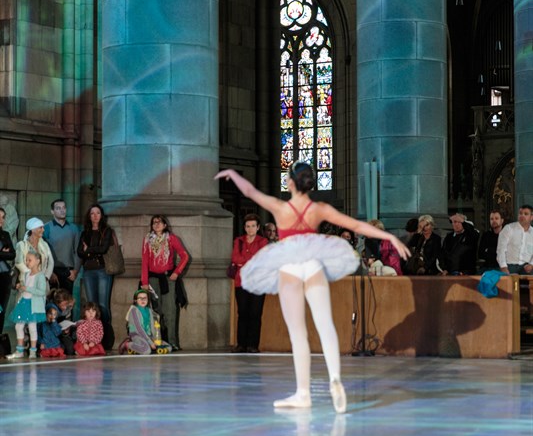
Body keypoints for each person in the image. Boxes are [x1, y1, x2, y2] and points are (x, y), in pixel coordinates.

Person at [215, 162, 410, 412]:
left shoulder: (280, 207)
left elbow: (250, 191)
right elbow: (355, 225)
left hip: (290, 268)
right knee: (325, 324)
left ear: (291, 183)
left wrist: (233, 174)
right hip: (313, 265)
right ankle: (335, 378)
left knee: (298, 333)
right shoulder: (318, 209)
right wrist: (389, 236)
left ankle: (303, 393)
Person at [140, 215, 189, 351]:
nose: (157, 224)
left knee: (170, 310)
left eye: (159, 222)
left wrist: (177, 272)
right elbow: (144, 261)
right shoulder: (147, 240)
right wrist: (144, 281)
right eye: (154, 222)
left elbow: (185, 256)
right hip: (152, 280)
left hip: (168, 279)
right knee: (154, 311)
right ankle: (156, 342)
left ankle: (172, 342)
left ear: (165, 225)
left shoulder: (171, 238)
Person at [228, 213, 268, 353]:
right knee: (242, 313)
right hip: (241, 282)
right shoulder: (238, 241)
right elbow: (235, 258)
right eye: (248, 226)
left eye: (253, 226)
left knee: (255, 314)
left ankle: (252, 345)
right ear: (244, 227)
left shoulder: (263, 242)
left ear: (258, 227)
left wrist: (244, 262)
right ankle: (241, 344)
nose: (250, 229)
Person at [77, 204, 114, 326]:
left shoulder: (106, 231)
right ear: (89, 216)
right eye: (92, 213)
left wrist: (88, 250)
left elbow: (103, 249)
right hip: (88, 271)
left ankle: (106, 333)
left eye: (98, 213)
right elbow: (80, 252)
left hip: (102, 270)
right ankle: (93, 332)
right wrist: (92, 251)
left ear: (101, 215)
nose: (95, 216)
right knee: (91, 305)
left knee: (103, 305)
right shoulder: (85, 233)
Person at [9, 251, 47, 359]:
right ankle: (20, 350)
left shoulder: (40, 276)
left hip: (33, 304)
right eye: (26, 260)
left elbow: (42, 292)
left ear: (37, 261)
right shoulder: (26, 274)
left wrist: (27, 288)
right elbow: (26, 288)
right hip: (24, 302)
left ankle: (33, 351)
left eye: (30, 260)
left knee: (32, 327)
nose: (27, 262)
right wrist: (21, 287)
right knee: (18, 326)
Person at [44, 198, 81, 293]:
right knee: (52, 299)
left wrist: (75, 271)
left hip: (69, 271)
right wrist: (49, 272)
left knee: (67, 300)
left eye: (64, 207)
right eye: (58, 208)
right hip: (52, 270)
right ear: (52, 211)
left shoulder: (73, 228)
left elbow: (78, 251)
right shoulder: (46, 228)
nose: (62, 210)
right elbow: (43, 252)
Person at [124, 288, 169, 355]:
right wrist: (150, 342)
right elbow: (139, 329)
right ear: (135, 300)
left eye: (145, 298)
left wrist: (156, 339)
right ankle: (128, 344)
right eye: (140, 298)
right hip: (138, 335)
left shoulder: (149, 310)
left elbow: (153, 327)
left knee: (168, 347)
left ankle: (142, 348)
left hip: (149, 336)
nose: (143, 300)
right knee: (147, 350)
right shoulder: (134, 311)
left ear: (148, 300)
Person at [15, 217, 54, 285]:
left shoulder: (44, 245)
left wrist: (46, 277)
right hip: (26, 281)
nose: (43, 230)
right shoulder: (21, 245)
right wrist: (34, 276)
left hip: (42, 282)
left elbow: (51, 262)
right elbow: (19, 263)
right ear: (33, 230)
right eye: (40, 227)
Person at [496, 205, 533, 275]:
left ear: (531, 217)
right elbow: (501, 250)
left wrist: (531, 264)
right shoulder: (508, 228)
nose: (522, 216)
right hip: (509, 266)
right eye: (520, 213)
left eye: (526, 214)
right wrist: (503, 267)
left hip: (527, 266)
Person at [0, 207, 16, 335]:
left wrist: (3, 253)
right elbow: (7, 254)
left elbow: (12, 254)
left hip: (4, 276)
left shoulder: (5, 234)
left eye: (3, 217)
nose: (1, 220)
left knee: (1, 309)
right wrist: (3, 253)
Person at [48, 288, 77, 356]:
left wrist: (66, 330)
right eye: (62, 305)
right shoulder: (52, 310)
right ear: (57, 303)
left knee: (70, 349)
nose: (65, 307)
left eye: (66, 305)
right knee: (63, 349)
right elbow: (54, 329)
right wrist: (62, 331)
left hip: (60, 332)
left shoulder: (64, 309)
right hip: (51, 335)